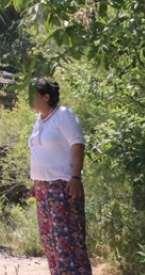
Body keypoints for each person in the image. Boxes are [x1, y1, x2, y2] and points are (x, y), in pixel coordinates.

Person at [29, 78, 92, 275]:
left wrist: (76, 177)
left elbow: (77, 145)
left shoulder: (64, 115)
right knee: (50, 241)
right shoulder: (40, 120)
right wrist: (36, 182)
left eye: (32, 95)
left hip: (63, 186)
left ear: (46, 97)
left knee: (68, 242)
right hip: (43, 188)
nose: (28, 99)